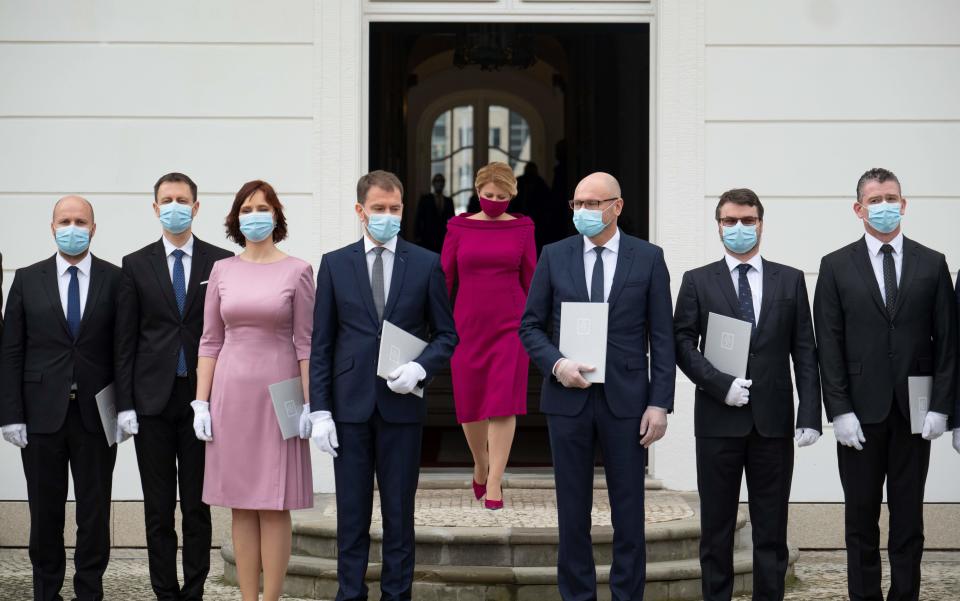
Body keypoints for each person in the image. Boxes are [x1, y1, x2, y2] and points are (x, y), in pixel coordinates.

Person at [519, 172, 675, 601]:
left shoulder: (648, 258)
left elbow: (661, 337)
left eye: (593, 203)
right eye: (577, 204)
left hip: (627, 402)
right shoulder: (555, 255)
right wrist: (557, 364)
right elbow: (530, 326)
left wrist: (659, 403)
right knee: (572, 512)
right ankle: (577, 595)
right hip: (567, 399)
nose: (584, 212)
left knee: (629, 511)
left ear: (617, 207)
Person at [309, 170, 458, 601]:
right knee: (351, 518)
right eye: (379, 209)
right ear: (361, 211)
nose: (388, 216)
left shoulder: (426, 263)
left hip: (402, 409)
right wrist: (320, 410)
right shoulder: (335, 264)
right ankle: (349, 594)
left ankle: (397, 595)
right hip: (349, 408)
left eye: (395, 209)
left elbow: (446, 335)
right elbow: (322, 343)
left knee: (398, 515)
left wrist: (421, 368)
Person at [813, 168, 956, 601]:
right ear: (858, 209)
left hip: (915, 412)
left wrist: (941, 406)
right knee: (860, 519)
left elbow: (949, 341)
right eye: (875, 200)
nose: (884, 206)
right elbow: (829, 343)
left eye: (891, 197)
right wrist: (838, 409)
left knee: (909, 519)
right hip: (858, 413)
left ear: (904, 204)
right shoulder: (835, 265)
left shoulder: (933, 263)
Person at [673, 188, 822, 601]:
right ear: (718, 226)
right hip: (718, 422)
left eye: (748, 221)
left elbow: (805, 351)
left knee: (771, 531)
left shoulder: (789, 278)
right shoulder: (698, 280)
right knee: (716, 532)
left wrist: (810, 413)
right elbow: (681, 342)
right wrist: (720, 384)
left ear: (761, 223)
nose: (739, 229)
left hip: (773, 424)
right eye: (730, 221)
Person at [192, 180, 315, 601]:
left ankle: (273, 597)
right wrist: (200, 403)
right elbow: (210, 340)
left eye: (262, 208)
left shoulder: (298, 270)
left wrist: (310, 403)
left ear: (276, 216)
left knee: (274, 501)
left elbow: (306, 342)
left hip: (280, 395)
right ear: (235, 218)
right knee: (240, 502)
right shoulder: (222, 270)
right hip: (231, 394)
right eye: (246, 209)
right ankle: (248, 597)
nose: (254, 215)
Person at [114, 172, 233, 601]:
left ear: (196, 207)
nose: (175, 205)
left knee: (198, 507)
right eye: (167, 199)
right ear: (155, 207)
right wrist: (124, 403)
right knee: (158, 508)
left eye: (182, 199)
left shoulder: (220, 261)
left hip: (203, 400)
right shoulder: (135, 264)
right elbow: (125, 340)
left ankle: (195, 591)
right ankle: (165, 592)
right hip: (151, 401)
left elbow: (225, 333)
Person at [0, 196, 122, 601]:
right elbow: (12, 349)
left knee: (94, 512)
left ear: (94, 228)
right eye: (65, 221)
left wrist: (125, 408)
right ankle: (46, 591)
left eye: (81, 221)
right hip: (40, 415)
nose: (73, 228)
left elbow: (123, 350)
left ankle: (90, 590)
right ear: (52, 227)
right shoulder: (27, 278)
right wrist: (10, 414)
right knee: (45, 512)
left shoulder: (115, 279)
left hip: (96, 414)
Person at [441, 162, 536, 509]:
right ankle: (480, 464)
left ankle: (495, 480)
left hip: (511, 325)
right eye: (488, 195)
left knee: (502, 402)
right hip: (466, 324)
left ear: (512, 194)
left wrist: (536, 325)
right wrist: (439, 325)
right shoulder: (458, 226)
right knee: (470, 403)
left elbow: (532, 277)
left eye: (502, 196)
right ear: (478, 192)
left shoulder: (524, 227)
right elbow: (445, 278)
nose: (494, 201)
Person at [414, 173, 455, 253]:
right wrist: (417, 236)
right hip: (428, 238)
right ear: (433, 184)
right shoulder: (425, 199)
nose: (439, 184)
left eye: (441, 181)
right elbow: (419, 218)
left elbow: (452, 220)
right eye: (437, 181)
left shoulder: (449, 201)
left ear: (444, 184)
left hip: (443, 238)